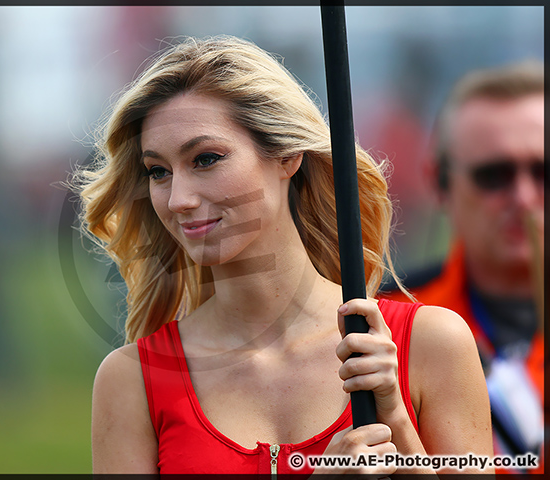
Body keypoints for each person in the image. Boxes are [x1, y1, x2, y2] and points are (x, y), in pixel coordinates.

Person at [74, 35, 492, 475]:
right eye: (158, 171)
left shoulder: (429, 344)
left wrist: (398, 422)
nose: (177, 198)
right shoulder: (131, 382)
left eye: (205, 159)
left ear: (287, 155)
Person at [383, 61, 545, 473]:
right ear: (439, 183)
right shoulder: (387, 324)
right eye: (494, 175)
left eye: (543, 172)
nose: (524, 198)